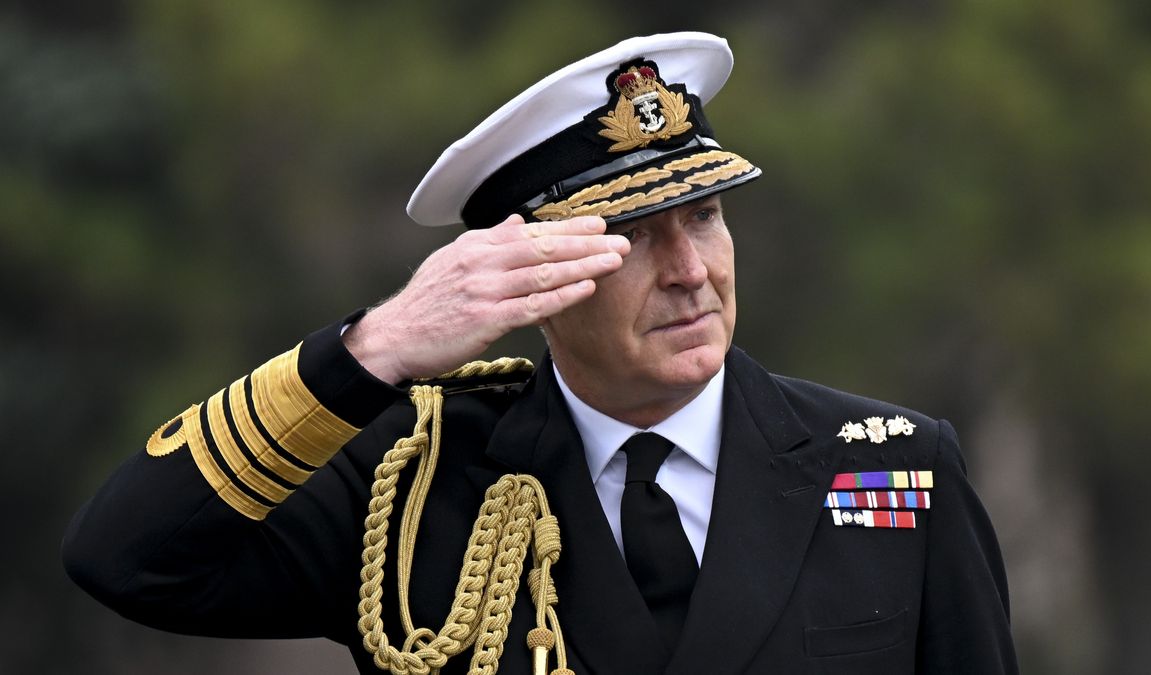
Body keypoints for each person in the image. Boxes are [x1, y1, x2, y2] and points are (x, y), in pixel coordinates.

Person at [63, 32, 1019, 675]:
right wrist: (377, 346)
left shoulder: (891, 466)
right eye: (637, 236)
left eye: (706, 216)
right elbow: (126, 556)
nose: (690, 270)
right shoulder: (411, 485)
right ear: (528, 269)